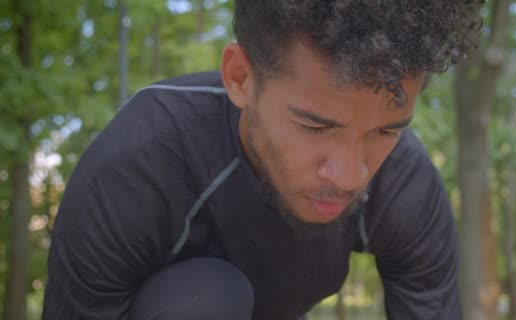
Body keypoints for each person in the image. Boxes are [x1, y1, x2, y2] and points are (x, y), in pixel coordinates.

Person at [43, 0, 480, 319]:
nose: (350, 175)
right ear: (240, 78)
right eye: (315, 127)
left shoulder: (405, 180)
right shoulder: (139, 166)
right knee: (208, 295)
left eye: (385, 131)